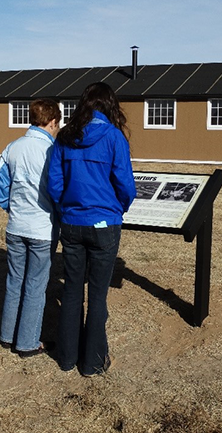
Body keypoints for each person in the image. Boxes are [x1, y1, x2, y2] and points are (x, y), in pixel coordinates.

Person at [47, 82, 136, 376]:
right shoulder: (114, 137)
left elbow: (55, 183)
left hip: (72, 223)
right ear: (110, 105)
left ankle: (67, 358)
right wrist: (116, 210)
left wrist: (66, 208)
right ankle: (93, 361)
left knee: (72, 291)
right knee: (97, 295)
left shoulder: (65, 137)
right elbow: (125, 185)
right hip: (104, 225)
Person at [0, 99, 61, 357]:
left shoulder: (12, 148)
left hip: (16, 226)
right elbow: (59, 189)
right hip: (42, 228)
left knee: (14, 281)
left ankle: (7, 334)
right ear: (53, 122)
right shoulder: (53, 151)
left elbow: (1, 188)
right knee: (36, 286)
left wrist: (11, 209)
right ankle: (27, 342)